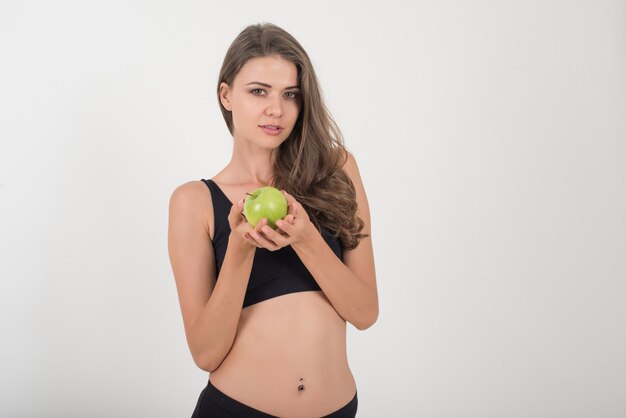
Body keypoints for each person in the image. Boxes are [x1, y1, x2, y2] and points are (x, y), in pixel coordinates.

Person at [168, 22, 378, 418]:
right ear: (227, 95)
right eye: (258, 91)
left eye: (290, 95)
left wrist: (306, 239)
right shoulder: (194, 201)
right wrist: (240, 248)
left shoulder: (338, 171)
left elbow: (365, 313)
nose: (276, 109)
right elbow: (206, 353)